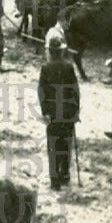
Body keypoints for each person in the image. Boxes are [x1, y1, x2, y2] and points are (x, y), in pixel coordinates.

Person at [37, 36, 80, 190]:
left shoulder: (45, 68)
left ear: (50, 51)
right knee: (66, 144)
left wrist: (45, 111)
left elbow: (41, 91)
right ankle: (65, 174)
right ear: (61, 51)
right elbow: (75, 91)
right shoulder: (69, 67)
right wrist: (75, 111)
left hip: (53, 114)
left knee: (53, 146)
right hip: (67, 113)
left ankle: (54, 180)